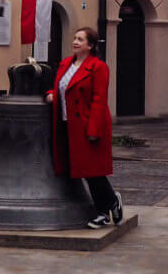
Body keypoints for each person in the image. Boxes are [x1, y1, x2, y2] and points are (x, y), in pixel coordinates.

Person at [46, 26, 123, 229]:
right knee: (84, 169)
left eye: (80, 39)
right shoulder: (65, 64)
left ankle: (103, 213)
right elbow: (59, 85)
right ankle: (111, 202)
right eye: (74, 38)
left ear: (90, 45)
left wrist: (93, 130)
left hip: (87, 125)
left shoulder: (98, 67)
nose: (75, 42)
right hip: (66, 123)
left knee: (92, 171)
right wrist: (51, 94)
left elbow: (99, 100)